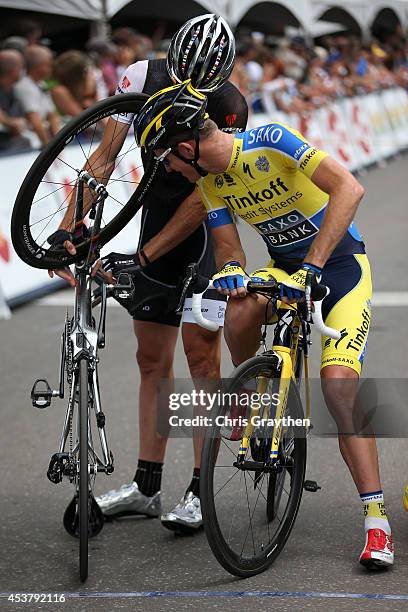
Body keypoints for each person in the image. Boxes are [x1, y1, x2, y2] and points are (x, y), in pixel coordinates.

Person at [133, 81, 394, 568]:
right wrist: (231, 272)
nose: (165, 167)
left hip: (338, 267)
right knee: (241, 307)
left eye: (167, 157)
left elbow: (349, 189)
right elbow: (230, 249)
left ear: (188, 147)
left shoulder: (272, 140)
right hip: (285, 269)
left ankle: (376, 522)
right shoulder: (209, 183)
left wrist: (313, 266)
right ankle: (249, 394)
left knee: (338, 388)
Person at [47, 15, 247, 533]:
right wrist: (68, 230)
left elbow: (208, 199)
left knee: (201, 358)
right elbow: (105, 158)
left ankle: (199, 489)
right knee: (149, 358)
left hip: (201, 228)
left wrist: (144, 257)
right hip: (155, 220)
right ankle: (146, 486)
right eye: (177, 75)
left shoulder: (229, 106)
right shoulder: (140, 76)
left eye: (194, 86)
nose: (183, 90)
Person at [14, 45, 61, 146]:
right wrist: (49, 148)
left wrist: (60, 141)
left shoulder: (41, 84)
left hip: (45, 135)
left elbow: (52, 115)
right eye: (48, 65)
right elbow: (35, 122)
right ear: (38, 67)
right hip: (32, 139)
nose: (51, 68)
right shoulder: (24, 86)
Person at [50, 50, 99, 119]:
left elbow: (99, 108)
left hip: (91, 124)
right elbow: (81, 117)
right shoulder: (59, 90)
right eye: (84, 71)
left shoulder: (84, 83)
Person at [0, 49, 31, 152]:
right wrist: (13, 123)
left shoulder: (14, 89)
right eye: (21, 67)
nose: (23, 70)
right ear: (13, 70)